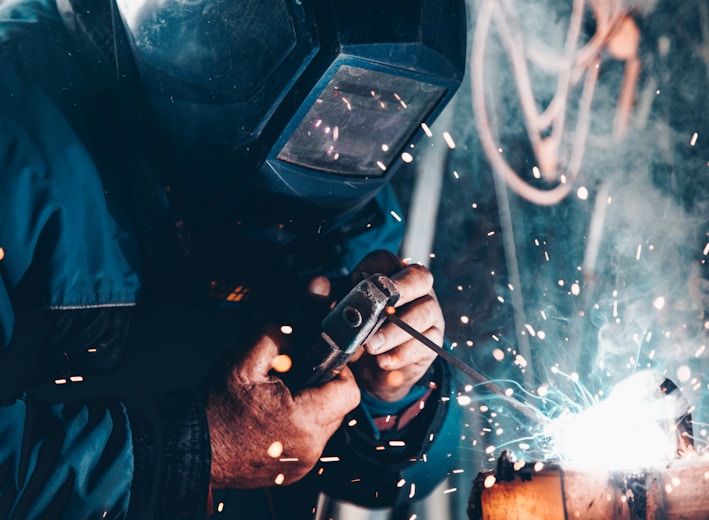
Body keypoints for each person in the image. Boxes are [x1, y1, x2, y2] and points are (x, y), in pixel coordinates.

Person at [0, 0, 467, 518]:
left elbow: (389, 483)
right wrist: (193, 449)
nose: (337, 133)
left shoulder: (338, 163)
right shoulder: (17, 135)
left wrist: (394, 394)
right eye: (332, 106)